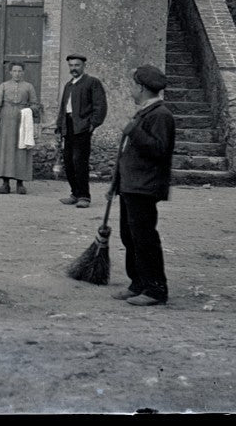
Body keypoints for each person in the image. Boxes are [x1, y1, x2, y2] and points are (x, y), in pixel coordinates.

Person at [112, 64, 176, 307]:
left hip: (144, 186)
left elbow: (159, 150)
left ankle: (156, 289)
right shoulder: (144, 112)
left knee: (144, 238)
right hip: (131, 185)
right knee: (129, 236)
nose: (131, 89)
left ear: (141, 88)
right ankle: (137, 283)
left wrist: (133, 131)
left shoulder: (161, 115)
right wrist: (117, 183)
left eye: (133, 85)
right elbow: (128, 153)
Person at [55, 54, 108, 208]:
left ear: (83, 66)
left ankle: (84, 196)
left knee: (80, 161)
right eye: (71, 66)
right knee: (69, 161)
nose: (74, 69)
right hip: (68, 126)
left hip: (82, 128)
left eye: (77, 65)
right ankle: (75, 193)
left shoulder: (92, 82)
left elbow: (100, 106)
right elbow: (63, 108)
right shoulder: (69, 85)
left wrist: (92, 125)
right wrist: (59, 126)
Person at [0, 61, 41, 194]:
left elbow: (35, 105)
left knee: (21, 149)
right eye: (15, 71)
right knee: (5, 150)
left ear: (23, 73)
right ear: (10, 72)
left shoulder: (28, 87)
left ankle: (20, 183)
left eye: (20, 71)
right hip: (5, 120)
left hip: (22, 121)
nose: (17, 74)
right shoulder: (4, 86)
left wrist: (28, 110)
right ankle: (5, 183)